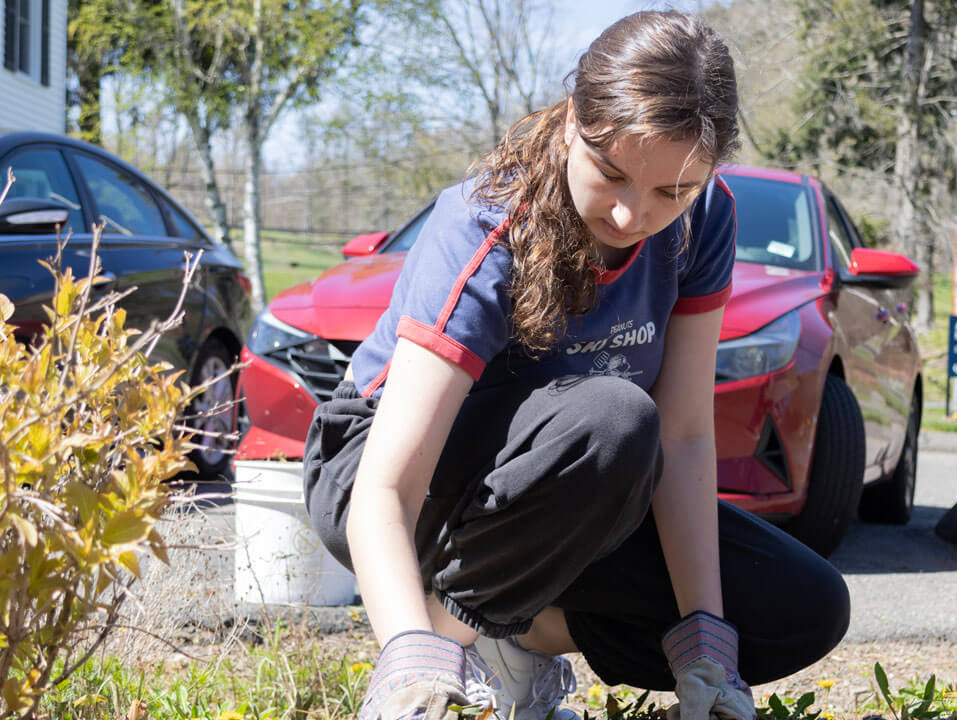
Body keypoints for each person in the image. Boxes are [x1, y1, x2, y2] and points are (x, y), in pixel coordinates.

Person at [301, 10, 851, 720]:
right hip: (383, 477)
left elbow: (683, 436)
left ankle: (512, 644)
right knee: (614, 419)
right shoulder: (488, 224)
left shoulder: (705, 218)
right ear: (569, 124)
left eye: (670, 193)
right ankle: (451, 654)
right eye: (612, 173)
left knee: (799, 607)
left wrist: (706, 644)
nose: (631, 216)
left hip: (559, 497)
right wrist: (413, 658)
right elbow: (385, 490)